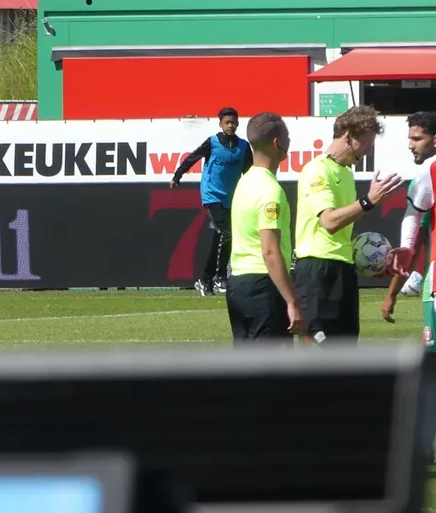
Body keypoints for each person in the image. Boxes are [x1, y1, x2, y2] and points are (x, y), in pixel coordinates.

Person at [293, 105, 402, 343]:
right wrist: (368, 201)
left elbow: (341, 230)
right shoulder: (318, 170)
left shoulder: (346, 174)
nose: (368, 151)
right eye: (366, 144)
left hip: (343, 271)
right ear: (348, 136)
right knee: (318, 347)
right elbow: (329, 222)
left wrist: (371, 264)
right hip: (317, 271)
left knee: (345, 350)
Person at [224, 113, 305, 343]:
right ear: (277, 143)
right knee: (270, 362)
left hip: (238, 283)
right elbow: (269, 251)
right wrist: (292, 301)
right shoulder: (270, 190)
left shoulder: (245, 181)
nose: (290, 141)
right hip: (263, 285)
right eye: (287, 136)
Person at [170, 107, 252, 297]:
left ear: (238, 123)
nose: (230, 126)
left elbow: (249, 173)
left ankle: (204, 279)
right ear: (220, 124)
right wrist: (177, 175)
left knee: (220, 238)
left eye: (233, 122)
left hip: (232, 197)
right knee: (227, 234)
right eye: (227, 122)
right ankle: (221, 277)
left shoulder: (243, 147)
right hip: (212, 194)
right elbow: (192, 158)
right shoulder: (213, 143)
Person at [385, 111, 436, 342]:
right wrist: (406, 247)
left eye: (417, 139)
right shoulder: (428, 172)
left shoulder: (430, 170)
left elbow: (414, 218)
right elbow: (414, 217)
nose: (410, 145)